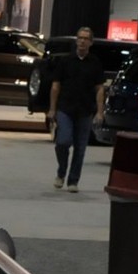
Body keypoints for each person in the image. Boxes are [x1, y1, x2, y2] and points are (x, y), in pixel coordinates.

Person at [43, 27, 105, 193]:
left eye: (86, 38)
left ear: (91, 42)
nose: (82, 41)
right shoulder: (66, 61)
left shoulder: (95, 63)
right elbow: (56, 86)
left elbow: (99, 88)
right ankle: (61, 171)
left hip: (85, 110)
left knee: (80, 148)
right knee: (62, 141)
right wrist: (52, 109)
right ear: (76, 41)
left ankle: (73, 180)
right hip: (65, 108)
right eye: (80, 38)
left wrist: (100, 111)